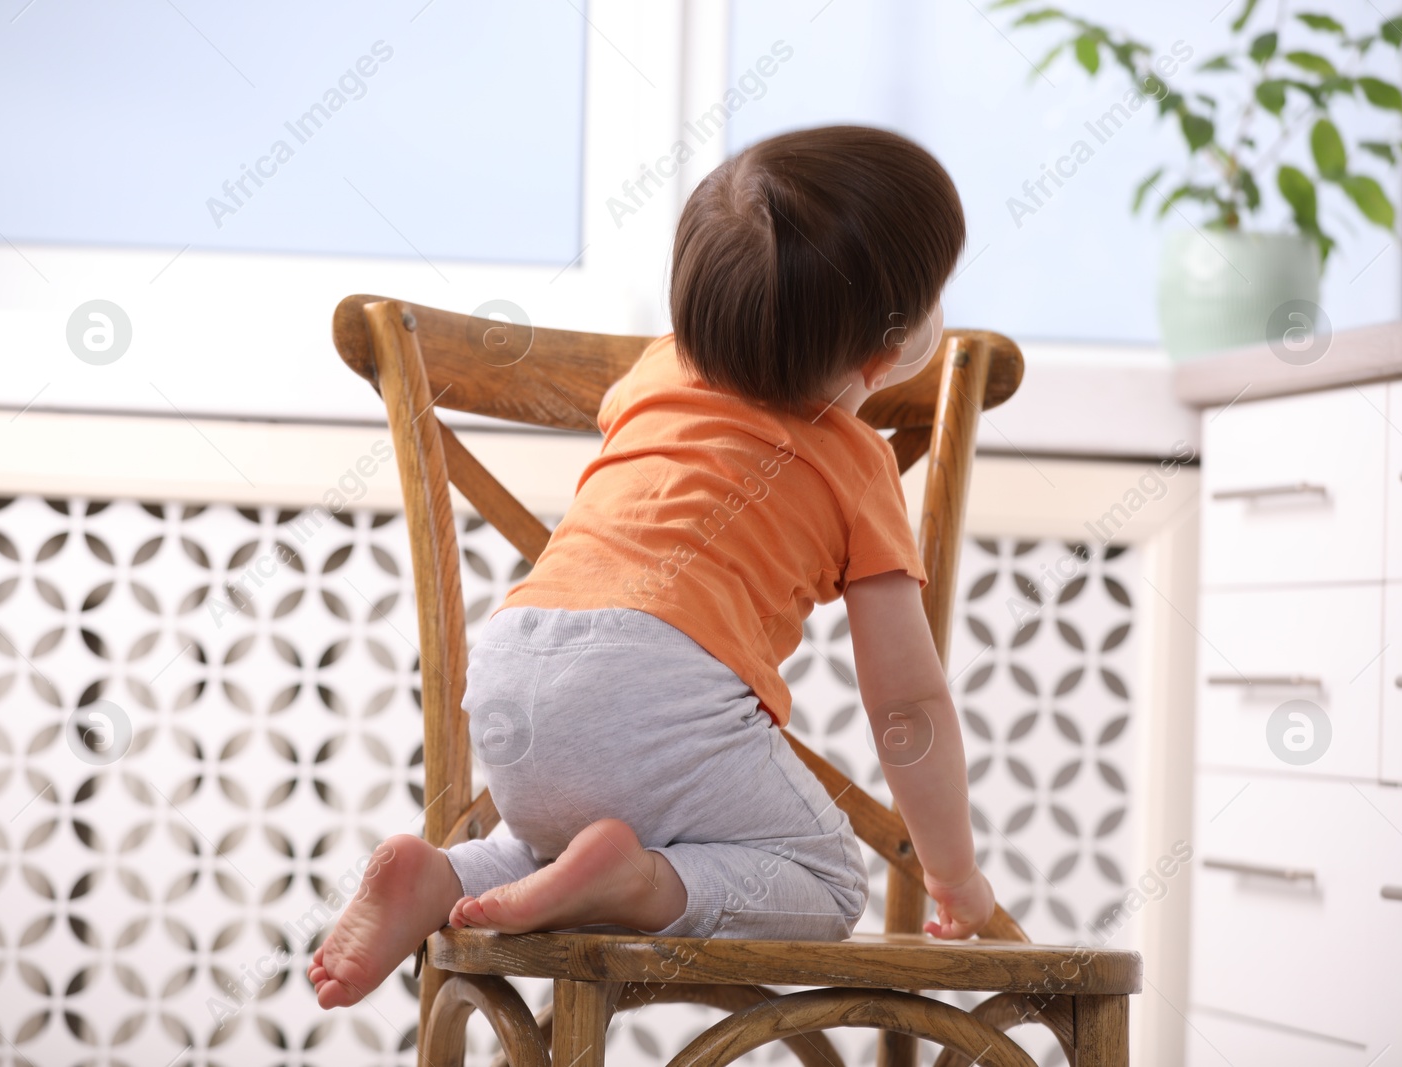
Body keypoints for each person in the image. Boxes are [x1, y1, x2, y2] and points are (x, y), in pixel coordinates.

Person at [311, 125, 995, 1010]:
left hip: (517, 666)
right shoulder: (858, 464)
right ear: (886, 348)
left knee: (556, 841)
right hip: (656, 684)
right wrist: (956, 872)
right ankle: (634, 883)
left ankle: (440, 876)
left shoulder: (652, 374)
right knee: (828, 885)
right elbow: (907, 707)